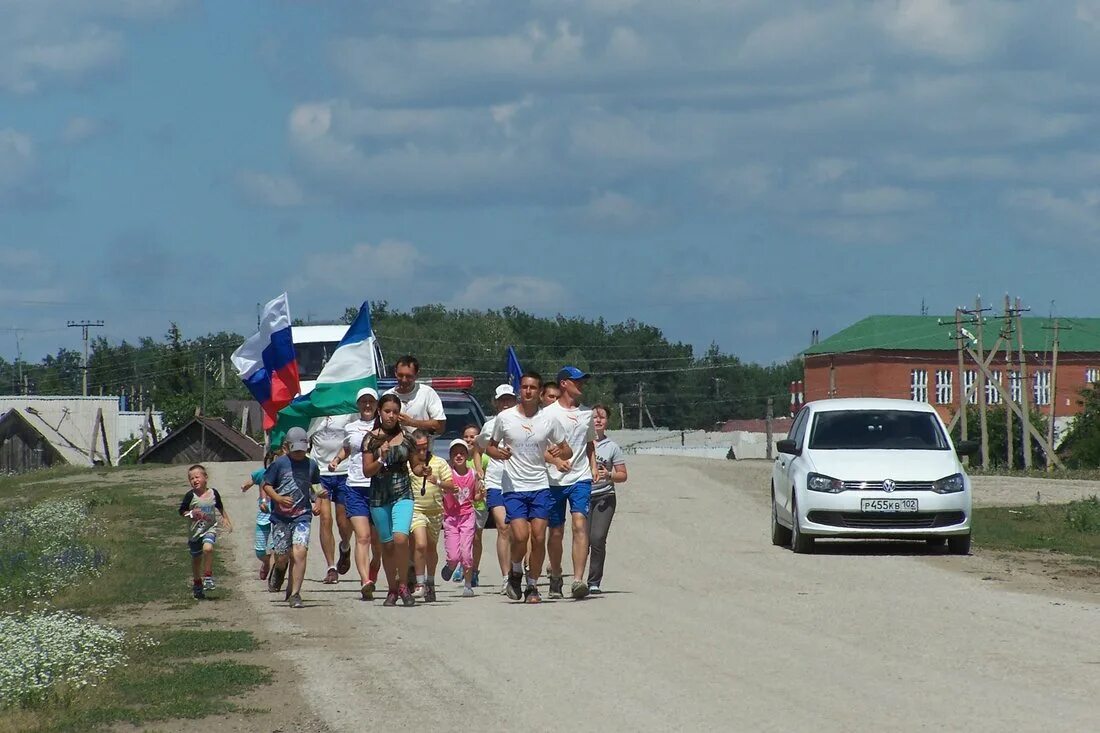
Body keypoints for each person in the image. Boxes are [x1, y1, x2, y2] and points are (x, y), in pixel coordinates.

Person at [488, 372, 572, 604]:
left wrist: (559, 452)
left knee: (537, 537)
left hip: (540, 485)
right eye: (524, 387)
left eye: (533, 388)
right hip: (513, 486)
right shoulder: (505, 418)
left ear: (540, 391)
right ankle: (515, 571)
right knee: (520, 535)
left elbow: (567, 450)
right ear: (519, 390)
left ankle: (532, 586)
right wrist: (499, 453)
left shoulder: (548, 420)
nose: (528, 391)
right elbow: (490, 448)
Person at [361, 393, 427, 607]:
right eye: (387, 411)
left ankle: (403, 585)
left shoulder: (408, 438)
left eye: (395, 412)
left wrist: (421, 469)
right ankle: (392, 588)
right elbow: (367, 471)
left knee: (400, 538)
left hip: (402, 493)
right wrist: (380, 457)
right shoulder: (370, 439)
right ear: (380, 411)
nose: (391, 415)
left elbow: (415, 466)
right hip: (379, 496)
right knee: (387, 545)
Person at [543, 366, 598, 600]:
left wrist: (593, 466)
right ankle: (556, 575)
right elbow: (538, 447)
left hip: (580, 477)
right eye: (577, 381)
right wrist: (555, 461)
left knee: (579, 524)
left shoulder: (587, 414)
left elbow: (589, 443)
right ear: (564, 383)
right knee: (555, 531)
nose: (581, 385)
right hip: (554, 480)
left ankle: (578, 580)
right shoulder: (548, 413)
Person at [329, 387, 384, 600]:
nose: (367, 405)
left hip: (378, 486)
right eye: (364, 402)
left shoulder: (383, 427)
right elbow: (347, 448)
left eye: (371, 401)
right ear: (358, 405)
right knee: (363, 537)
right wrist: (336, 460)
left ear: (377, 404)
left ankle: (374, 566)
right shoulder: (351, 427)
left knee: (378, 542)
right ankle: (365, 581)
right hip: (355, 487)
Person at [262, 426, 323, 609]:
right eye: (295, 450)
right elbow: (266, 485)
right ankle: (279, 570)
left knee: (300, 551)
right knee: (282, 556)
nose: (299, 454)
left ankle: (295, 593)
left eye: (302, 451)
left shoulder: (311, 464)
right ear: (287, 447)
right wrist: (278, 498)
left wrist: (318, 500)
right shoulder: (279, 464)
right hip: (281, 517)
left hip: (302, 516)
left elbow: (315, 485)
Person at [477, 384, 518, 595]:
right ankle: (506, 577)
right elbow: (478, 447)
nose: (505, 403)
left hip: (519, 482)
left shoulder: (523, 423)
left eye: (509, 399)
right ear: (496, 402)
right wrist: (479, 472)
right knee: (503, 528)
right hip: (496, 482)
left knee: (519, 532)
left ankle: (519, 570)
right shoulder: (490, 425)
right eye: (502, 400)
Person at [308, 413, 356, 584]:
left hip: (344, 471)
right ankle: (331, 568)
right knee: (325, 519)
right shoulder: (314, 411)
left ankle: (345, 546)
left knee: (343, 520)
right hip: (319, 472)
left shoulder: (348, 410)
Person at [587, 404, 628, 594]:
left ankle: (594, 581)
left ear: (607, 422)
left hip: (605, 497)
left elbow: (623, 475)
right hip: (582, 496)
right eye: (594, 417)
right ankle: (577, 578)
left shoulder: (612, 447)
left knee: (597, 538)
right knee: (582, 539)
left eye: (601, 417)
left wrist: (609, 475)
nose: (597, 420)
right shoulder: (581, 443)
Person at [410, 428, 451, 602]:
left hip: (435, 511)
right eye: (417, 448)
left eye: (424, 447)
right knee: (420, 544)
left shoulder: (440, 463)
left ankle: (430, 582)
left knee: (431, 548)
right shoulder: (408, 464)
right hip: (416, 510)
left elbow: (451, 486)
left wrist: (438, 481)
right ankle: (419, 583)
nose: (421, 452)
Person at [178, 464, 231, 600]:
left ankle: (208, 576)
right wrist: (191, 513)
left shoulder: (213, 493)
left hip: (209, 528)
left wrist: (226, 519)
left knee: (208, 549)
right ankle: (197, 583)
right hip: (195, 532)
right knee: (196, 559)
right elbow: (182, 511)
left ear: (205, 478)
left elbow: (219, 506)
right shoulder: (190, 496)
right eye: (191, 478)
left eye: (197, 477)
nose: (194, 480)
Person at [442, 439, 480, 597]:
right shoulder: (448, 474)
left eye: (462, 453)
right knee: (454, 556)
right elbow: (441, 489)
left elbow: (476, 496)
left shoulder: (473, 473)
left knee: (466, 553)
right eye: (455, 453)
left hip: (467, 516)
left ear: (467, 455)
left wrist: (480, 495)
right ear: (450, 457)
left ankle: (468, 584)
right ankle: (450, 566)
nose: (459, 456)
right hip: (450, 518)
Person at [240, 451, 278, 581]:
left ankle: (273, 578)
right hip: (263, 516)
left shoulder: (285, 475)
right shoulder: (262, 473)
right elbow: (252, 480)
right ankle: (266, 562)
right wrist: (245, 485)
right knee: (260, 551)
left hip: (278, 515)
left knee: (275, 547)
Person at [384, 355, 446, 435]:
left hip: (421, 446)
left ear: (417, 375)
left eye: (408, 376)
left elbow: (440, 426)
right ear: (395, 372)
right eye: (400, 375)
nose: (404, 380)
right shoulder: (387, 395)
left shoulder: (427, 393)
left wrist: (411, 422)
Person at [462, 423, 490, 588]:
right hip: (461, 505)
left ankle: (474, 570)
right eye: (466, 436)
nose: (469, 439)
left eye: (472, 436)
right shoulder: (458, 457)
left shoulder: (485, 459)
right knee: (462, 536)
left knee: (475, 538)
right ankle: (462, 564)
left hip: (479, 504)